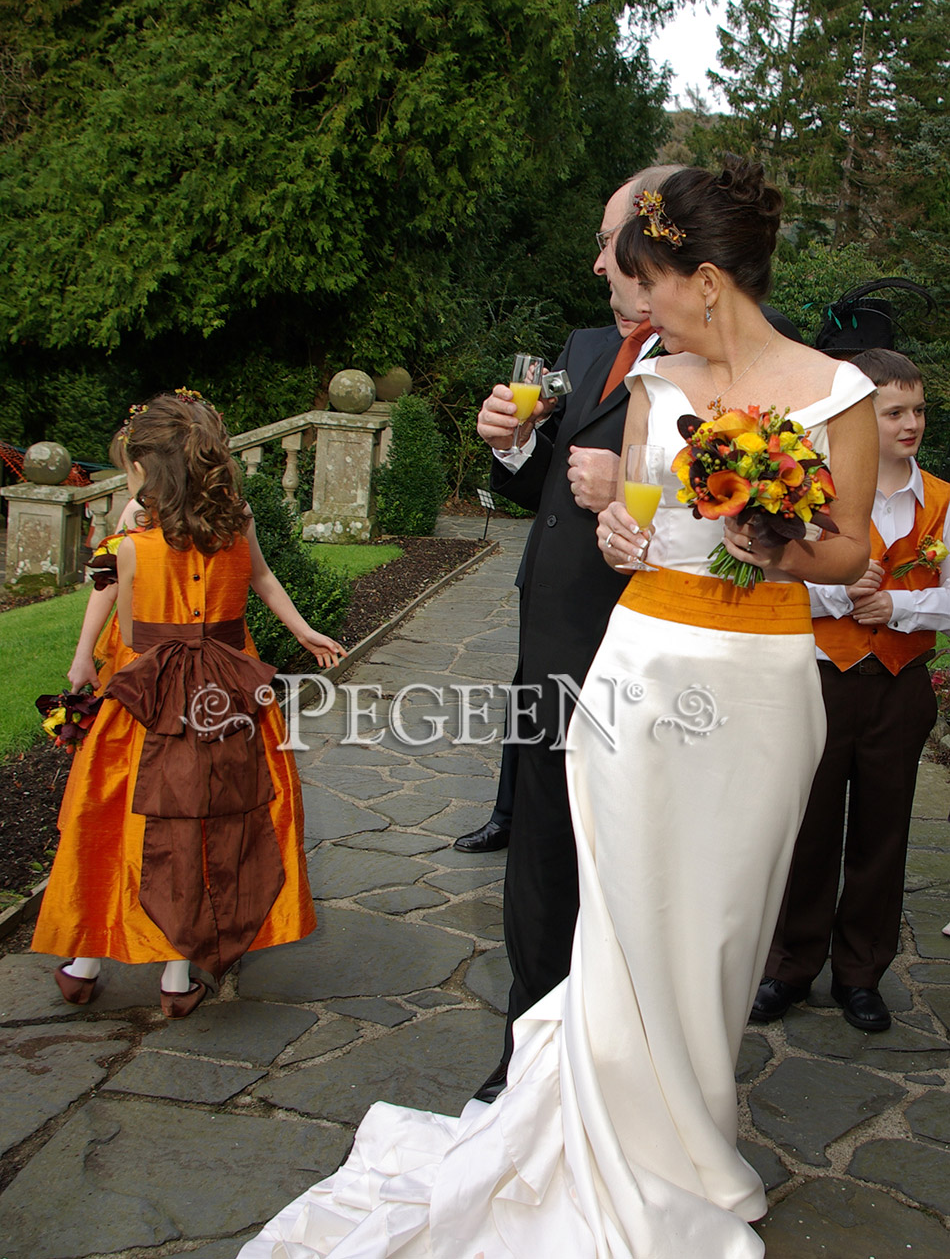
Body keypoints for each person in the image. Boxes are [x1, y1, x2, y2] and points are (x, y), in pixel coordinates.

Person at [239, 158, 877, 1257]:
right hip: (640, 665)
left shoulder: (837, 396)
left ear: (706, 280)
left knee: (719, 926)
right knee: (622, 913)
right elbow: (627, 526)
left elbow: (851, 548)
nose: (632, 295)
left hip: (761, 686)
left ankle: (684, 1137)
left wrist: (776, 541)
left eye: (647, 276)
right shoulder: (658, 383)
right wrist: (627, 538)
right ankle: (605, 1135)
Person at [463, 167, 679, 1099]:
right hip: (551, 644)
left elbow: (752, 530)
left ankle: (619, 1072)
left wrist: (636, 495)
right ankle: (527, 1061)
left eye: (608, 243)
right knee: (542, 863)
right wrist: (512, 445)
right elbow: (544, 488)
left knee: (629, 871)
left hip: (650, 657)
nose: (596, 264)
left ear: (659, 247)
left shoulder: (733, 368)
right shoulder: (587, 344)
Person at [32, 391, 344, 1018]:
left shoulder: (132, 532)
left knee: (118, 817)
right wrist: (302, 628)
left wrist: (83, 656)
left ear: (150, 469)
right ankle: (178, 977)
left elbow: (123, 611)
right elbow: (260, 577)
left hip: (146, 697)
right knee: (210, 819)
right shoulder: (238, 519)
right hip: (227, 696)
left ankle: (86, 961)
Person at [753, 348, 950, 1032]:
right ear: (858, 417)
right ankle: (788, 966)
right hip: (821, 679)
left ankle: (861, 973)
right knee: (806, 829)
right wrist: (838, 595)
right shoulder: (807, 494)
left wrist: (899, 609)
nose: (910, 423)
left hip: (900, 688)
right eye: (893, 410)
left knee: (882, 833)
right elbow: (769, 583)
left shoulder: (944, 500)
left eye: (918, 409)